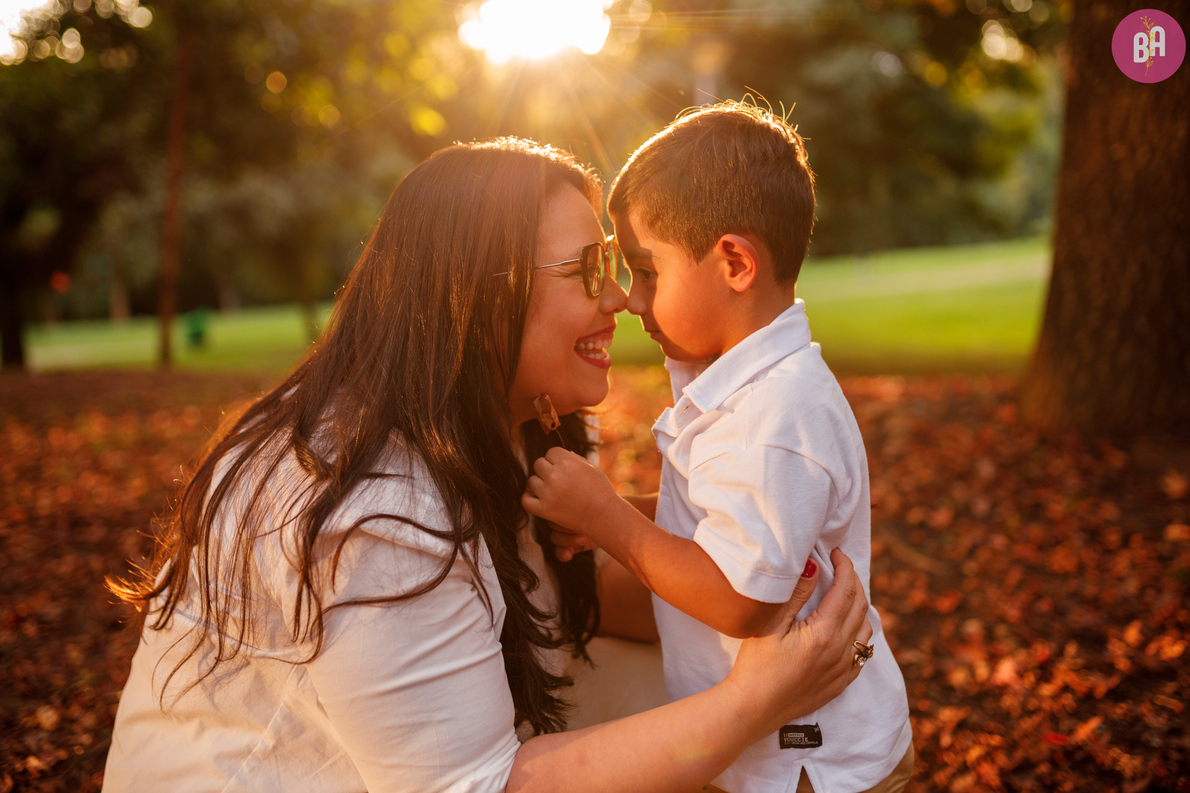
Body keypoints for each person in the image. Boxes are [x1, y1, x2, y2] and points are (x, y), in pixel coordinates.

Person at [102, 136, 875, 793]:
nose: (619, 300)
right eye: (583, 271)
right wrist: (760, 697)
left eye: (615, 264)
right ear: (478, 298)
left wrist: (770, 598)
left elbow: (599, 607)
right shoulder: (372, 509)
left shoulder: (523, 424)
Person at [523, 104, 913, 793]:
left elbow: (741, 598)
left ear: (734, 262)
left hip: (806, 768)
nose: (633, 302)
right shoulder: (745, 387)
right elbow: (713, 517)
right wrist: (616, 517)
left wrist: (612, 522)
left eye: (648, 272)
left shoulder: (776, 417)